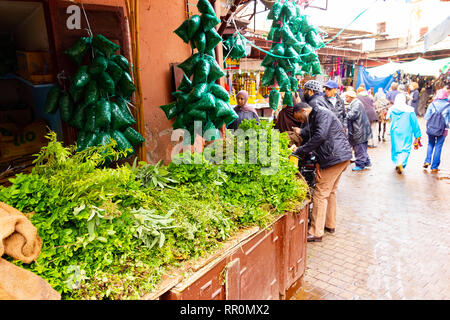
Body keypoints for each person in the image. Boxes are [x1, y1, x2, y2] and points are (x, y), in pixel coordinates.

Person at [291, 102, 352, 242]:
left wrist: (300, 150)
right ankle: (330, 224)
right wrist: (318, 162)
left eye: (299, 118)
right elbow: (314, 134)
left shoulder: (321, 113)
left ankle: (316, 231)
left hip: (334, 157)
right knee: (330, 192)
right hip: (340, 156)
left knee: (320, 193)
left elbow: (320, 136)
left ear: (304, 110)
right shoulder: (315, 116)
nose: (300, 121)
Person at [386, 93, 422, 174]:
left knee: (396, 148)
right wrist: (417, 135)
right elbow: (414, 123)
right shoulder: (410, 110)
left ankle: (397, 162)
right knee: (405, 148)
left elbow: (387, 118)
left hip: (394, 131)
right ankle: (401, 162)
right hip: (406, 131)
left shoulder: (392, 108)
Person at [423, 89, 450, 173]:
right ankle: (434, 166)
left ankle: (427, 161)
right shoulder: (448, 106)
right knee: (438, 146)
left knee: (430, 144)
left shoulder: (432, 104)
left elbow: (426, 117)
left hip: (431, 128)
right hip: (443, 129)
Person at [345, 90, 372, 171]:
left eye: (346, 97)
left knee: (359, 148)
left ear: (351, 97)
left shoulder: (356, 104)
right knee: (362, 148)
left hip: (359, 130)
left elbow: (351, 115)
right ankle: (367, 162)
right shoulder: (356, 103)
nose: (345, 98)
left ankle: (360, 164)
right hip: (361, 129)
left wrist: (344, 114)